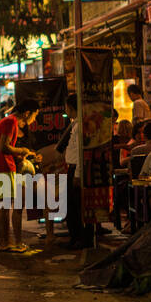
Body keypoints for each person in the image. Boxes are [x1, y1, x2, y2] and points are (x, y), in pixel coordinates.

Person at [0, 97, 40, 253]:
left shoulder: (8, 121)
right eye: (34, 115)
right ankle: (5, 242)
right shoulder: (11, 122)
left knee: (3, 208)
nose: (34, 119)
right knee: (5, 209)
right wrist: (22, 151)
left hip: (2, 166)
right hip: (3, 167)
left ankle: (2, 241)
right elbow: (3, 147)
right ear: (27, 113)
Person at [58, 93, 92, 249]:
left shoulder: (79, 126)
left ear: (70, 108)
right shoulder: (76, 124)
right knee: (70, 206)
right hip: (71, 169)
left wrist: (77, 175)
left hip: (76, 170)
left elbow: (80, 152)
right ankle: (75, 238)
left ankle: (80, 238)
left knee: (75, 207)